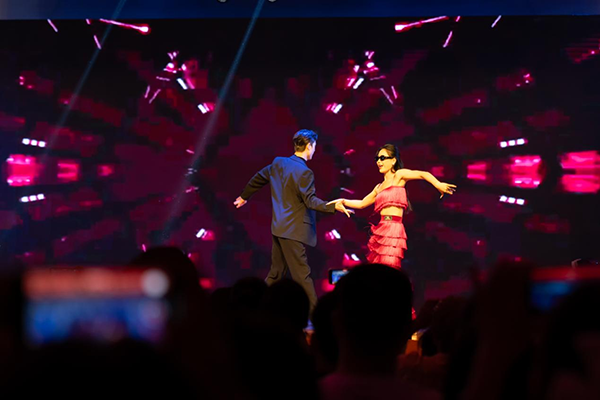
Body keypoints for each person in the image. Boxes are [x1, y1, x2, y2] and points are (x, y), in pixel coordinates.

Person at [234, 129, 352, 309]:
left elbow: (259, 177)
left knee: (276, 274)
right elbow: (310, 201)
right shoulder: (305, 172)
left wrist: (244, 196)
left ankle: (254, 308)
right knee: (302, 276)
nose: (315, 150)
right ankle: (314, 315)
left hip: (279, 228)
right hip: (293, 231)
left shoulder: (278, 163)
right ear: (309, 146)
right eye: (314, 146)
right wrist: (333, 206)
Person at [328, 144, 456, 269]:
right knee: (378, 266)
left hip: (394, 228)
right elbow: (362, 204)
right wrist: (342, 201)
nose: (379, 161)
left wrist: (438, 184)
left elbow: (423, 174)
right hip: (381, 228)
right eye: (377, 159)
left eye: (383, 158)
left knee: (389, 265)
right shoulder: (379, 187)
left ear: (393, 160)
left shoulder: (399, 176)